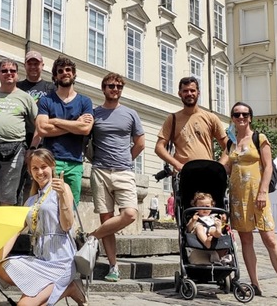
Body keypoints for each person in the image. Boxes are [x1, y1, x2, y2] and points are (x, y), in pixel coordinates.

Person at [0, 149, 86, 306]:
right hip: (40, 262)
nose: (40, 172)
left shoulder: (63, 189)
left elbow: (67, 226)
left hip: (61, 262)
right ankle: (44, 291)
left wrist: (63, 197)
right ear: (30, 171)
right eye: (35, 168)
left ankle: (69, 287)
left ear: (52, 166)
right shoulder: (31, 201)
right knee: (2, 266)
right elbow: (13, 234)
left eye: (43, 167)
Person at [219, 102, 277, 301]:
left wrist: (263, 192)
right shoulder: (231, 142)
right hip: (238, 198)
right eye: (237, 114)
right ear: (232, 118)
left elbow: (268, 166)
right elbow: (226, 167)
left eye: (245, 114)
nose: (241, 117)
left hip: (257, 196)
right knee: (246, 240)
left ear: (250, 117)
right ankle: (255, 284)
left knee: (270, 239)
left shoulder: (259, 138)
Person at [87, 72, 144, 282]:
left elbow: (140, 142)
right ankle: (113, 266)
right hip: (100, 170)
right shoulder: (95, 113)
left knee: (130, 213)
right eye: (111, 86)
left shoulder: (130, 114)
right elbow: (86, 140)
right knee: (106, 219)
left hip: (123, 170)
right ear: (104, 88)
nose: (115, 89)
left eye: (119, 86)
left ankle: (91, 237)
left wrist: (127, 159)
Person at [0, 59, 38, 206]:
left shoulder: (25, 97)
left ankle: (4, 230)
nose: (8, 73)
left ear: (17, 75)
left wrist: (33, 148)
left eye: (12, 71)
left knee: (8, 196)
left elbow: (39, 126)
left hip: (16, 151)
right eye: (4, 71)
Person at [35, 56, 93, 202]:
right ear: (55, 76)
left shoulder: (85, 101)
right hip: (51, 161)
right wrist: (75, 125)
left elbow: (85, 128)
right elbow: (42, 129)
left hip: (75, 162)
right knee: (48, 204)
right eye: (60, 71)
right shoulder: (46, 100)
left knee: (71, 206)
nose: (64, 73)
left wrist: (55, 121)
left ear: (74, 74)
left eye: (68, 70)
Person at [154, 77, 228, 174]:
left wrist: (219, 166)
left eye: (192, 90)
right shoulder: (172, 119)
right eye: (185, 91)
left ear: (198, 93)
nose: (189, 94)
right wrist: (177, 165)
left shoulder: (210, 118)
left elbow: (228, 147)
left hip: (206, 173)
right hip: (183, 174)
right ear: (180, 93)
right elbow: (159, 147)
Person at [16, 50, 53, 205]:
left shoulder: (50, 88)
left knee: (41, 178)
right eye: (30, 63)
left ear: (42, 66)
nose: (33, 66)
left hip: (43, 141)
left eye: (36, 63)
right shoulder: (17, 87)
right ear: (25, 65)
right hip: (19, 139)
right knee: (18, 183)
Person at [185, 192, 230, 265]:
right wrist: (193, 221)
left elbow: (223, 228)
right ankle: (206, 241)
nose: (204, 209)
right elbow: (188, 229)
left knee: (215, 227)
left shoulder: (214, 217)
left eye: (207, 206)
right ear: (196, 207)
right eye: (201, 207)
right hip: (200, 231)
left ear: (212, 206)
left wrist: (222, 221)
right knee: (199, 227)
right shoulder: (196, 217)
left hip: (211, 231)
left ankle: (217, 232)